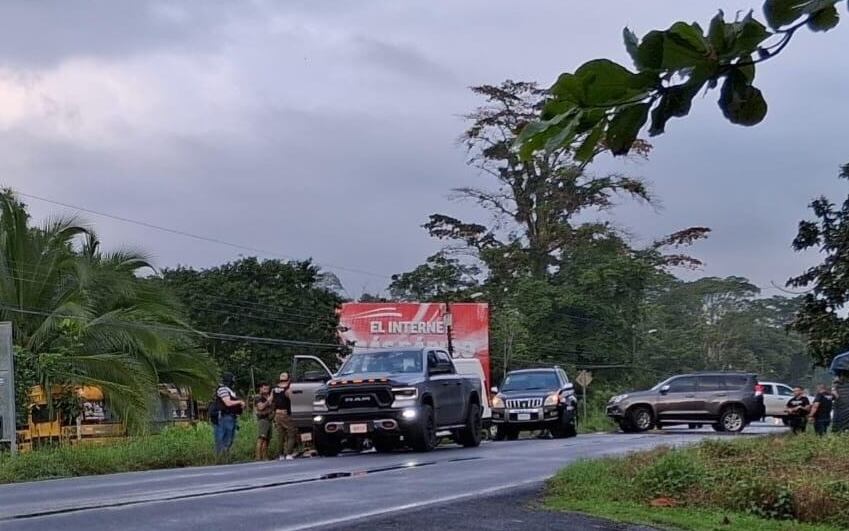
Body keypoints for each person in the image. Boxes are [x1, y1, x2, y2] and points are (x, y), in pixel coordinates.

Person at [215, 373, 245, 455]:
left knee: (229, 439)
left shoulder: (230, 390)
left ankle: (225, 456)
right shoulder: (223, 389)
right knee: (223, 439)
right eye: (232, 379)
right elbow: (228, 403)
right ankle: (220, 457)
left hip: (231, 416)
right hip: (224, 416)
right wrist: (240, 402)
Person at [273, 372, 297, 461]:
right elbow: (292, 399)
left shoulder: (274, 389)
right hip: (285, 413)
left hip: (277, 414)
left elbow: (271, 400)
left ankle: (281, 455)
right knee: (291, 433)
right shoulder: (287, 388)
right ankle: (289, 453)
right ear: (289, 379)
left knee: (281, 435)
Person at [254, 383, 273, 460]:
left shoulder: (268, 397)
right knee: (261, 438)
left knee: (267, 439)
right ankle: (258, 456)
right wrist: (268, 401)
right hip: (263, 419)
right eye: (264, 388)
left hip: (269, 419)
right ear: (260, 389)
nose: (266, 390)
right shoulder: (258, 397)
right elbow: (260, 407)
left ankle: (265, 456)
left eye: (267, 388)